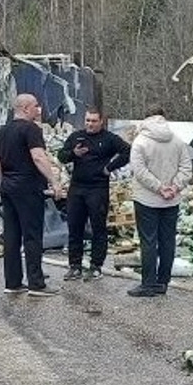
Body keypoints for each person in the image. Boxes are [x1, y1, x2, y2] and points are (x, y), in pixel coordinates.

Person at [0, 93, 66, 297]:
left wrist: (2, 185)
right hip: (28, 188)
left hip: (8, 187)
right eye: (35, 106)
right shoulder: (31, 129)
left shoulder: (1, 132)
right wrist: (54, 181)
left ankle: (13, 282)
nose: (39, 109)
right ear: (25, 108)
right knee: (32, 236)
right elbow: (38, 157)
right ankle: (36, 283)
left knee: (12, 236)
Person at [56, 107, 130, 281]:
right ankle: (75, 266)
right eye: (87, 120)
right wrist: (73, 154)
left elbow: (127, 151)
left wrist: (109, 168)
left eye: (93, 121)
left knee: (98, 228)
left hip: (97, 188)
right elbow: (61, 156)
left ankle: (96, 266)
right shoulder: (76, 137)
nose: (90, 124)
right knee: (74, 227)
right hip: (77, 188)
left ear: (101, 122)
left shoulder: (109, 139)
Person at [126, 105, 192, 298]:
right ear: (164, 118)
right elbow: (186, 168)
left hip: (146, 199)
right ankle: (163, 282)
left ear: (146, 118)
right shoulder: (178, 141)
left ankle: (148, 283)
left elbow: (139, 171)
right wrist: (174, 187)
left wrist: (158, 187)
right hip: (171, 200)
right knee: (167, 240)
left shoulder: (140, 142)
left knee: (148, 241)